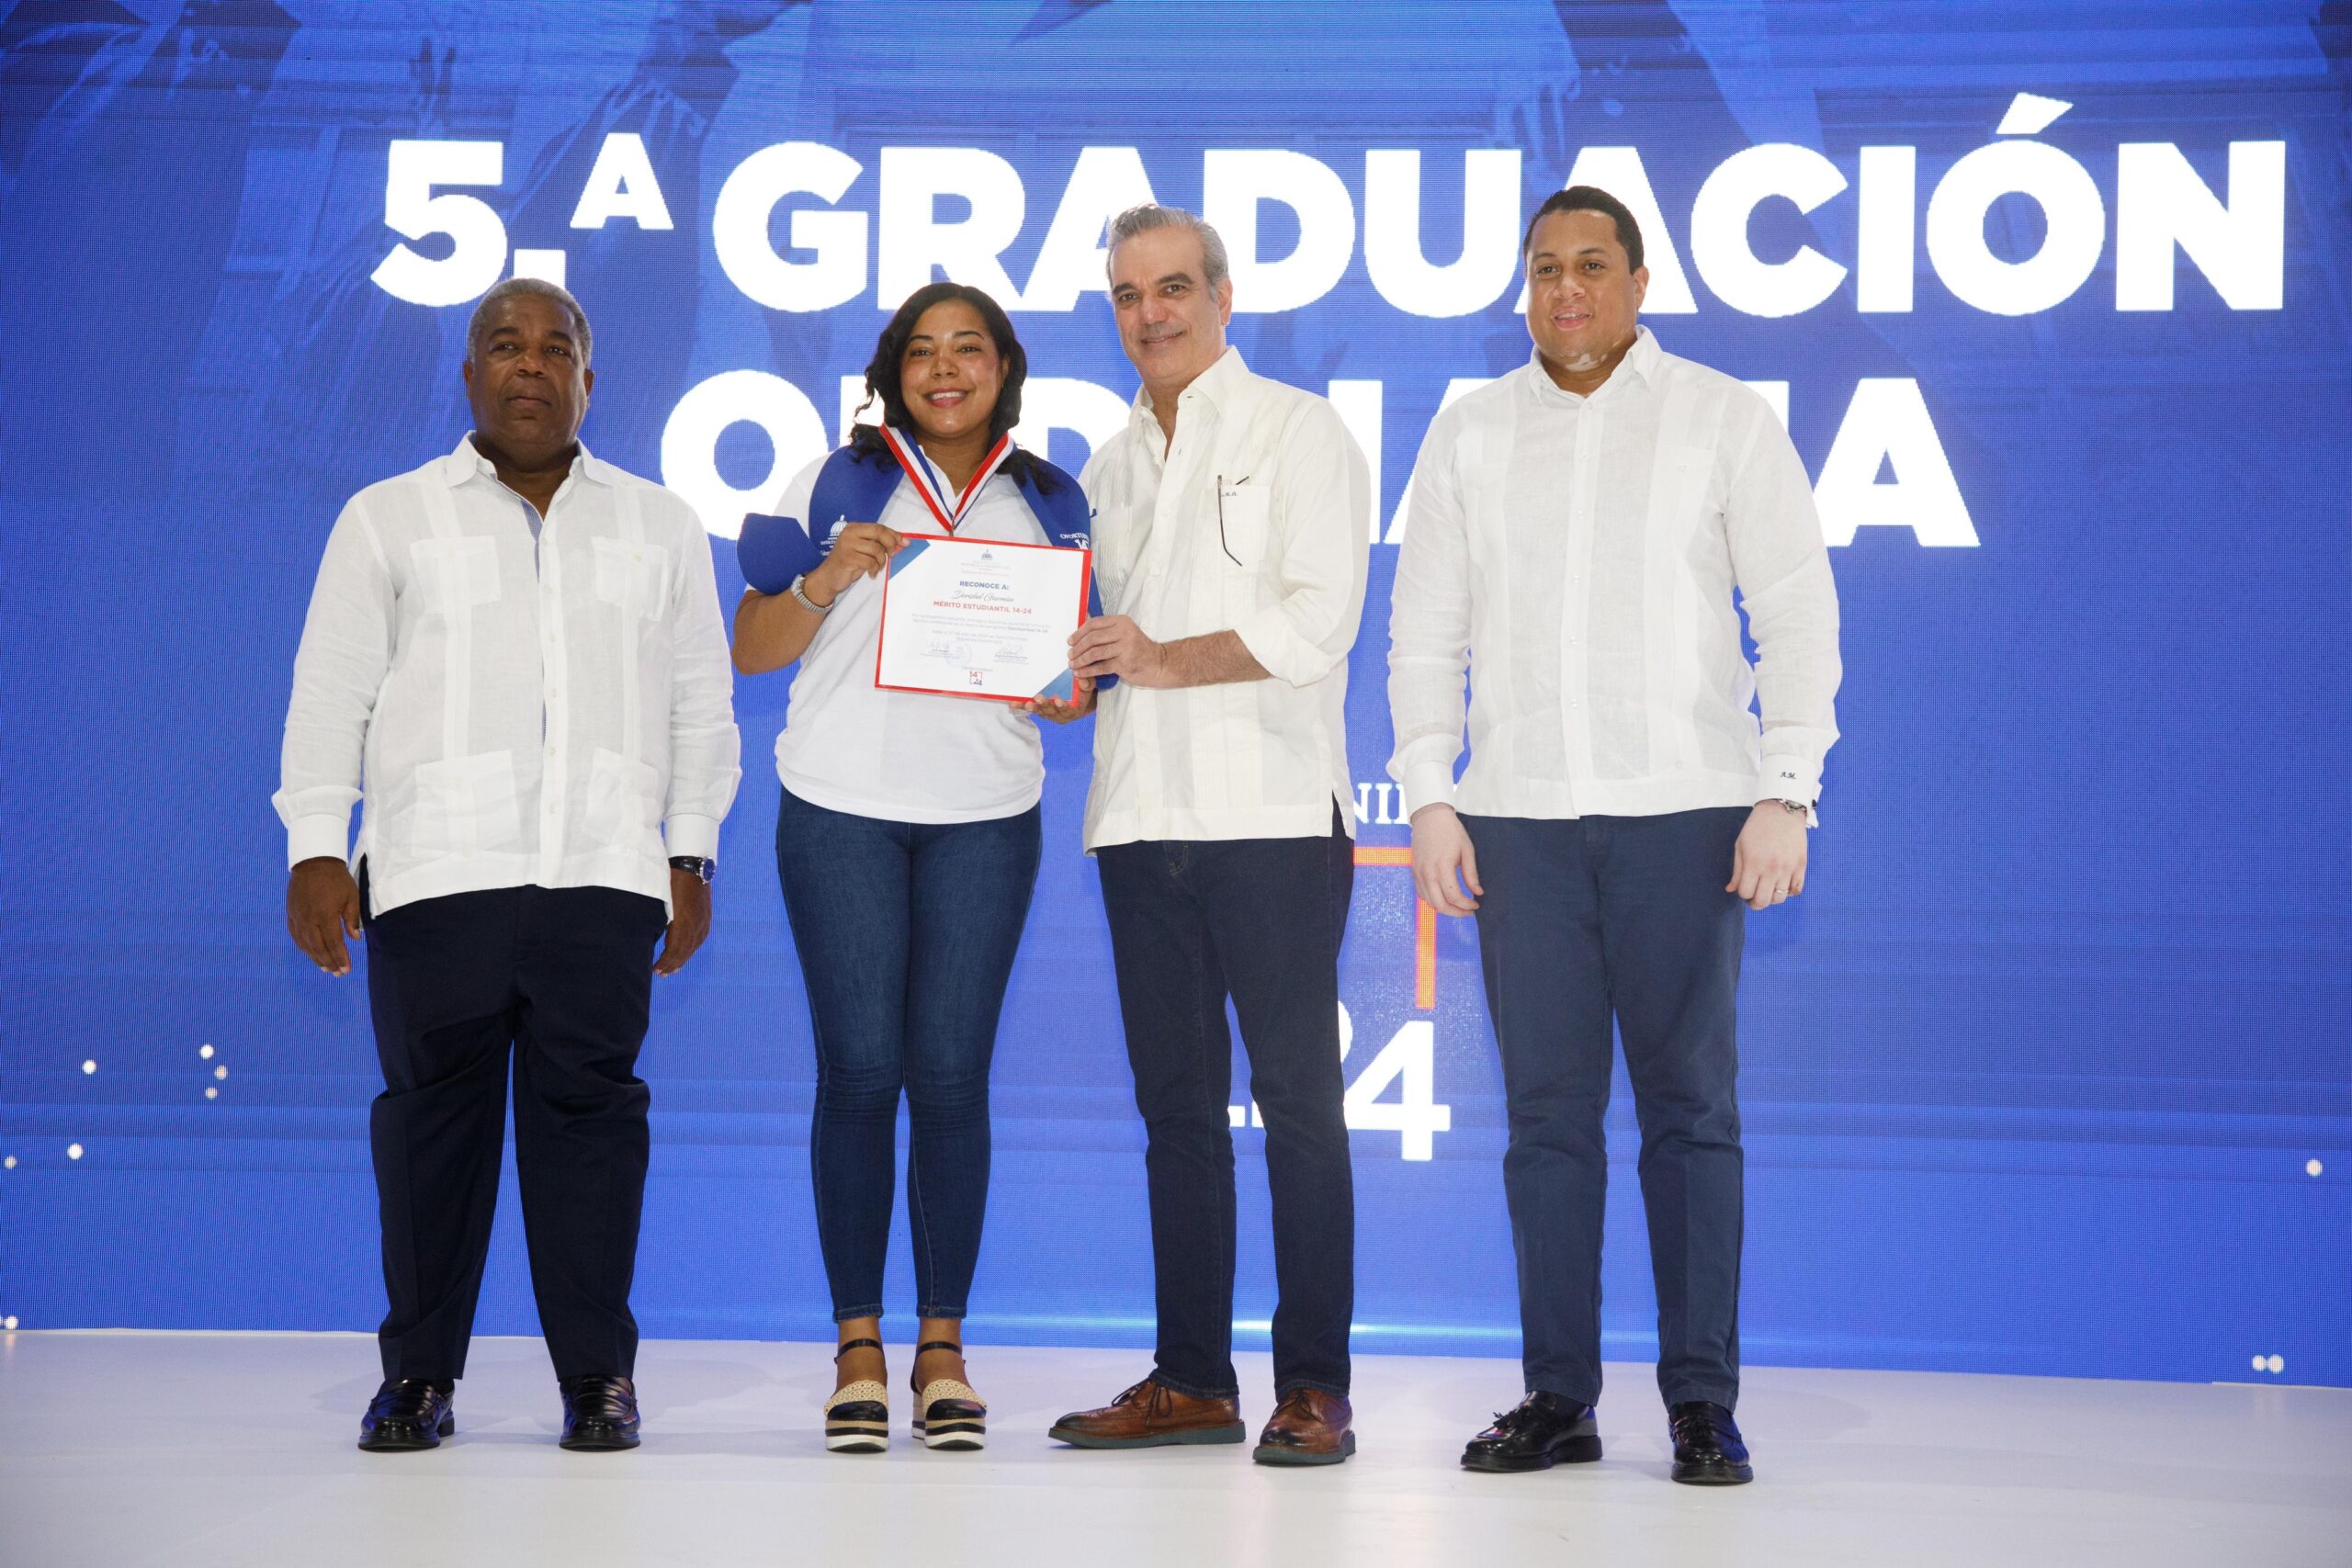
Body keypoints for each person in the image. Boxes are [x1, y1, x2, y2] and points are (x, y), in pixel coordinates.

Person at [1387, 186, 1842, 1486]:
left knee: (1691, 1114)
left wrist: (1787, 787)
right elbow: (1426, 634)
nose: (1566, 290)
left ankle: (1702, 1400)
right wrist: (1429, 792)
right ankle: (1558, 1395)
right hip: (1518, 820)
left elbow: (1797, 615)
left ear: (1641, 283)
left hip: (1688, 811)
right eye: (1544, 269)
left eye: (1592, 266)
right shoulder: (1471, 435)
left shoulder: (1721, 420)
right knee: (1546, 1120)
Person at [275, 277, 741, 1453]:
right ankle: (419, 1381)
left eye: (556, 348)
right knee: (431, 1131)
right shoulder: (387, 517)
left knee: (592, 1132)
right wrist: (315, 847)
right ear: (468, 373)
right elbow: (331, 691)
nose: (530, 366)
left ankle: (599, 1382)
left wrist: (692, 851)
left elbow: (700, 704)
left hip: (602, 874)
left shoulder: (660, 524)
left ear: (592, 377)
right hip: (435, 877)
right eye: (503, 345)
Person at [731, 281, 1096, 1453]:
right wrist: (827, 578)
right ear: (893, 370)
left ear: (1004, 368)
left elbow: (1069, 691)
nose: (947, 368)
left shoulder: (1051, 499)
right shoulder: (834, 480)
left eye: (970, 348)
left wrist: (1066, 688)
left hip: (986, 813)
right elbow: (750, 648)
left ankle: (942, 1350)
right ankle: (856, 1351)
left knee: (948, 1080)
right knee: (858, 1073)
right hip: (840, 807)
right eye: (924, 351)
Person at [1044, 205, 1372, 1467]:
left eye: (1175, 287)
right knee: (1175, 1107)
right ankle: (1192, 1375)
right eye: (1131, 295)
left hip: (1274, 815)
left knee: (1299, 1104)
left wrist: (1162, 657)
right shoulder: (1109, 464)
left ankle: (1315, 1385)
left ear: (1223, 298)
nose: (1153, 313)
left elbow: (1318, 619)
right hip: (1139, 819)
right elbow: (1104, 644)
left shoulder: (1300, 430)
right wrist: (1066, 677)